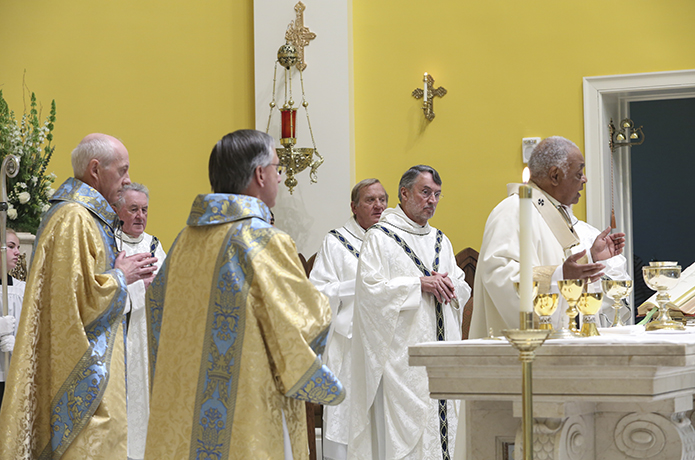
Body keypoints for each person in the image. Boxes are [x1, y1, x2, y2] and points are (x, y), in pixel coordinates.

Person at [144, 129, 344, 460]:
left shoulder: (183, 241)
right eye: (277, 168)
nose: (279, 178)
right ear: (260, 174)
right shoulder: (260, 239)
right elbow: (303, 322)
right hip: (249, 410)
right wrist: (324, 303)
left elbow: (158, 314)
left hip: (185, 412)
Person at [0, 134, 158, 459]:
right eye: (123, 170)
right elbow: (78, 301)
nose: (127, 179)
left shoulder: (82, 216)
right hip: (84, 383)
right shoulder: (74, 219)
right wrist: (121, 277)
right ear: (95, 169)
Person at [348, 165, 471, 460]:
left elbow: (462, 286)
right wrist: (417, 284)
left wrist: (449, 284)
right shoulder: (380, 238)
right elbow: (370, 291)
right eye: (425, 192)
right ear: (404, 193)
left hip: (442, 355)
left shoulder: (440, 239)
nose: (432, 200)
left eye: (437, 195)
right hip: (403, 362)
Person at [469, 136, 627, 338]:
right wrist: (559, 276)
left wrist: (591, 259)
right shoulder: (513, 211)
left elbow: (561, 265)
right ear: (555, 176)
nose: (585, 179)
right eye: (579, 173)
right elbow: (500, 276)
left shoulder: (550, 212)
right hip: (521, 355)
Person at [309, 178, 388, 460]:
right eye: (370, 200)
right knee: (349, 419)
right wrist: (356, 286)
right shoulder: (336, 242)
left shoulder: (393, 240)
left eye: (382, 199)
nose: (378, 205)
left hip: (388, 341)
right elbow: (317, 292)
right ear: (354, 207)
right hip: (349, 343)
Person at [113, 182, 167, 460]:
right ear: (119, 210)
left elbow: (172, 291)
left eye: (144, 209)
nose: (140, 216)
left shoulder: (154, 246)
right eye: (133, 209)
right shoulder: (109, 242)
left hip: (148, 337)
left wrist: (158, 290)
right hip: (120, 335)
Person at [0, 229, 26, 406]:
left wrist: (19, 345)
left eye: (18, 247)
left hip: (12, 371)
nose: (17, 252)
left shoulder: (22, 289)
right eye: (11, 246)